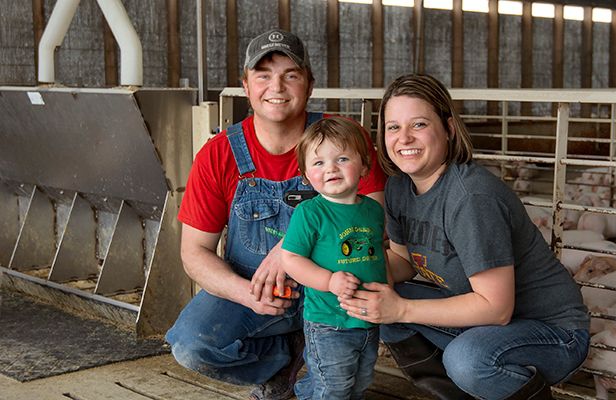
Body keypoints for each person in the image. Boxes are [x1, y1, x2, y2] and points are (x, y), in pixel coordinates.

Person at [339, 74, 590, 400]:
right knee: (376, 298)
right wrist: (357, 275)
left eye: (418, 125)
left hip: (550, 332)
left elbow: (496, 308)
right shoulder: (400, 187)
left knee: (468, 359)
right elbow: (402, 260)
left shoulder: (471, 198)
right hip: (488, 323)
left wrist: (400, 309)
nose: (404, 138)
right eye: (393, 127)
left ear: (449, 129)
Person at [165, 30, 386, 400]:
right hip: (258, 291)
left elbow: (374, 217)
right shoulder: (219, 153)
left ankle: (322, 371)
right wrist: (247, 296)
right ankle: (283, 362)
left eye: (290, 74)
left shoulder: (345, 140)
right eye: (264, 75)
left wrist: (289, 247)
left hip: (333, 287)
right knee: (191, 345)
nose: (276, 86)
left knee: (340, 385)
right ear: (246, 86)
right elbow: (194, 252)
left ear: (309, 84)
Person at [280, 117, 391, 400]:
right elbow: (291, 258)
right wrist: (329, 280)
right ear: (305, 174)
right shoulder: (310, 213)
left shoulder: (373, 211)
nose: (330, 168)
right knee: (335, 386)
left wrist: (388, 288)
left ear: (364, 166)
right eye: (318, 163)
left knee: (361, 380)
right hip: (329, 321)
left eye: (342, 158)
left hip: (367, 320)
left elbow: (378, 256)